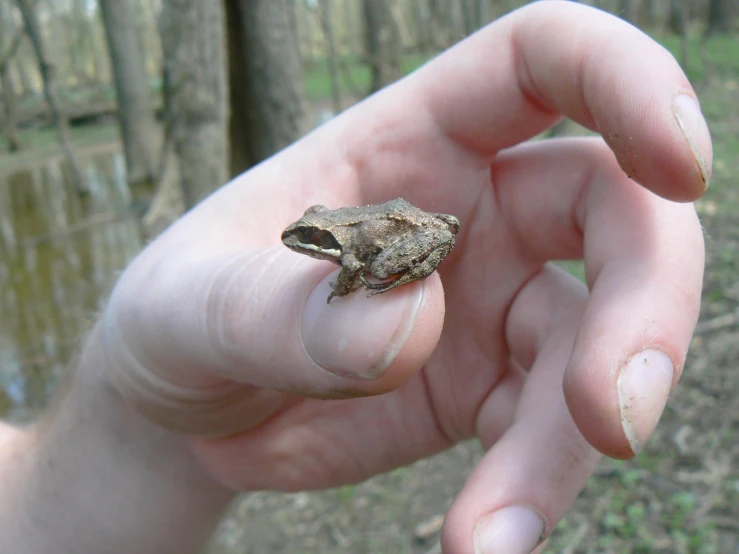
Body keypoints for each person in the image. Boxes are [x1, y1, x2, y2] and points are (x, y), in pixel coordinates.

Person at [0, 2, 711, 553]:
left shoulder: (341, 252)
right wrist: (143, 418)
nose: (302, 244)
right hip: (400, 226)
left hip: (404, 234)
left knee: (368, 277)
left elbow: (355, 263)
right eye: (311, 237)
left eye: (309, 239)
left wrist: (355, 278)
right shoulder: (321, 248)